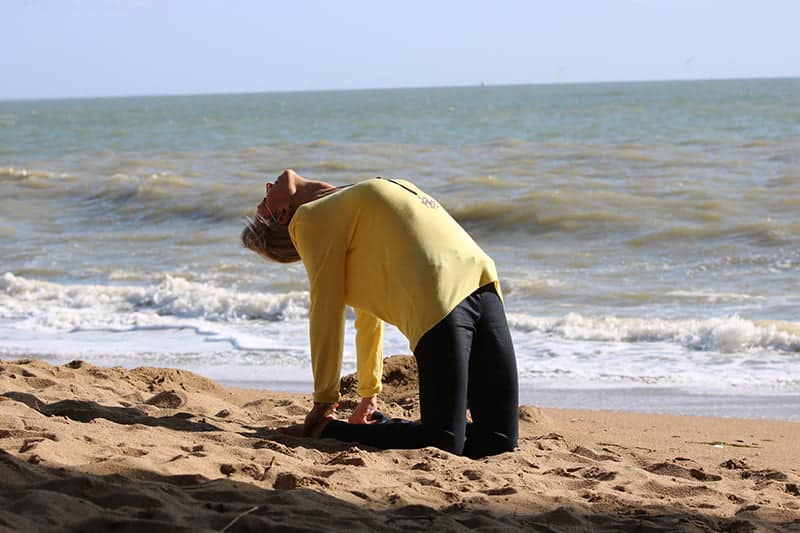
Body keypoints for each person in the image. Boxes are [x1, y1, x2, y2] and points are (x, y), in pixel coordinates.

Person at [241, 169, 518, 458]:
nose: (269, 185)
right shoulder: (311, 218)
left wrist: (368, 396)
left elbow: (367, 321)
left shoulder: (348, 208)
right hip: (438, 302)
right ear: (284, 214)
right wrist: (324, 403)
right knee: (444, 442)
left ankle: (379, 427)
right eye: (265, 198)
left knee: (499, 441)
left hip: (484, 285)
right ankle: (328, 430)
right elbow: (327, 311)